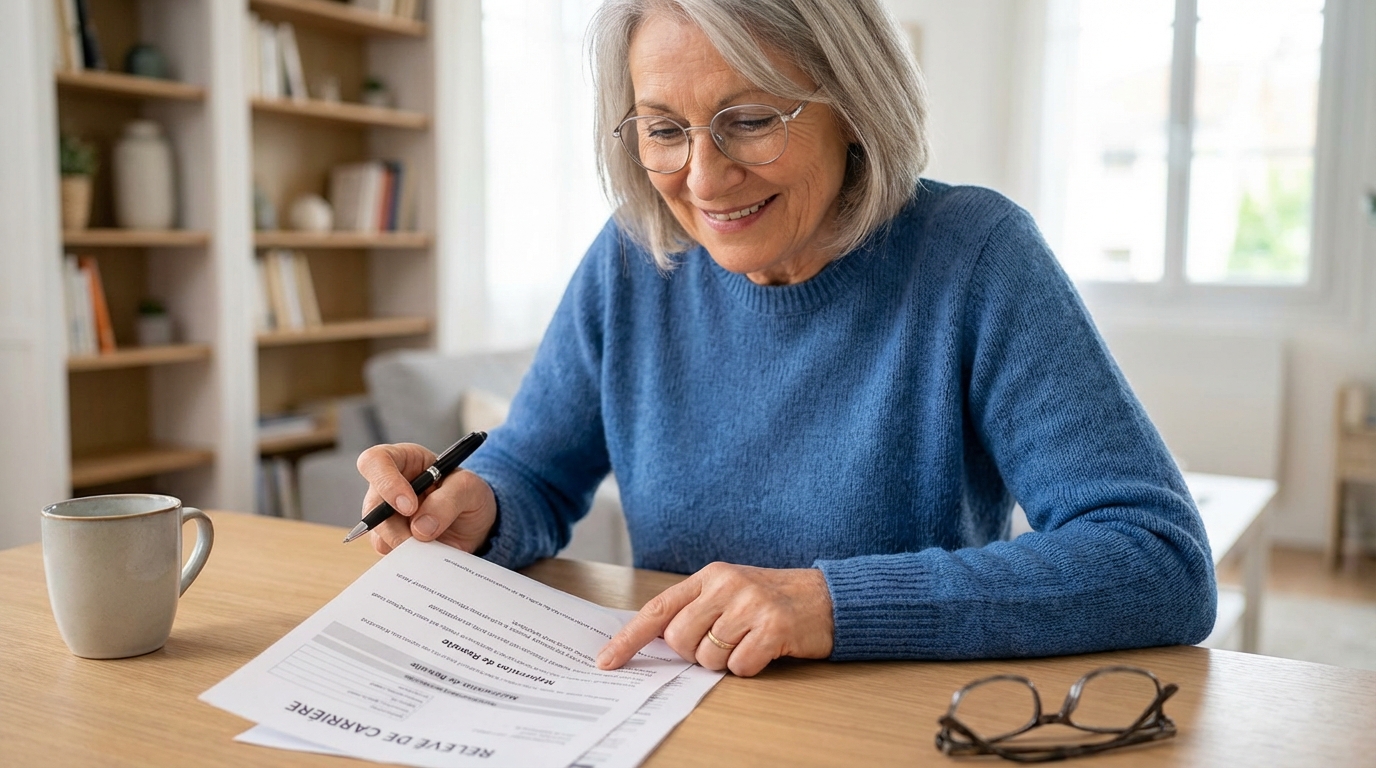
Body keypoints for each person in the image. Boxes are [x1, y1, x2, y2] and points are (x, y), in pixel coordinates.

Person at [357, 0, 1216, 678]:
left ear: (854, 107)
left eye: (750, 119)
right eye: (664, 129)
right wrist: (477, 506)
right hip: (675, 712)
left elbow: (1157, 559)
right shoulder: (632, 258)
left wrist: (831, 605)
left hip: (888, 727)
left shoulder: (975, 255)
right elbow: (536, 469)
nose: (702, 177)